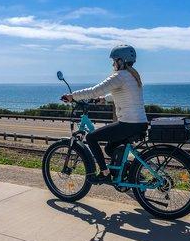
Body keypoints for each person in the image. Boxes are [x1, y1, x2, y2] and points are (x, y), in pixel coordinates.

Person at [61, 44, 148, 184]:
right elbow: (121, 94)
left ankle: (104, 173)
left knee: (91, 137)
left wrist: (72, 96)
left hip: (128, 124)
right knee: (110, 148)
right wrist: (103, 99)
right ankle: (132, 172)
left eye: (114, 60)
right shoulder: (133, 76)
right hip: (139, 123)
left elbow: (95, 90)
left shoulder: (120, 76)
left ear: (120, 61)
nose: (113, 64)